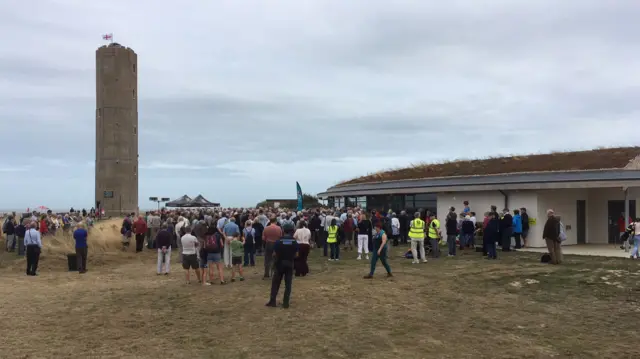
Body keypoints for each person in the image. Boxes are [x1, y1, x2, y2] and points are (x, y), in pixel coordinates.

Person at [266, 222, 299, 309]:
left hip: (279, 264)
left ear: (283, 231)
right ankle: (286, 303)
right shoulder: (294, 242)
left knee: (275, 283)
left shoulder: (279, 241)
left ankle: (272, 301)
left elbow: (274, 254)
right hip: (289, 263)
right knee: (288, 284)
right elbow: (296, 255)